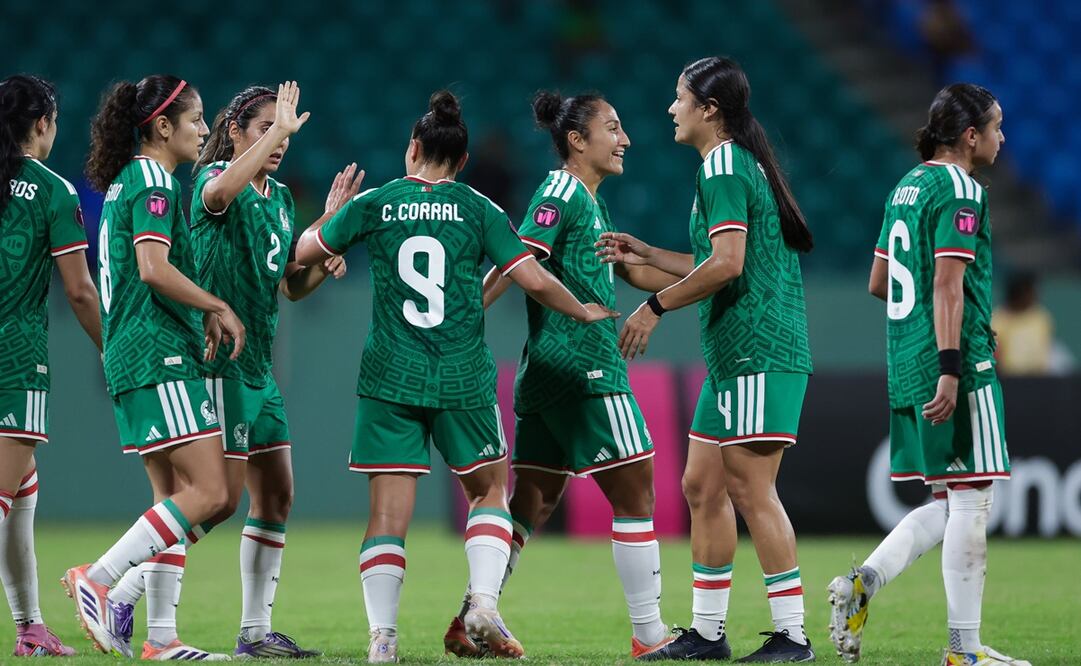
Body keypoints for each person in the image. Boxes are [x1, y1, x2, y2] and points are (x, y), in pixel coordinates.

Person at [294, 90, 616, 663]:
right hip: (461, 375)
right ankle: (484, 604)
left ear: (412, 148)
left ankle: (382, 641)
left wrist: (328, 230)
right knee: (489, 492)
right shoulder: (480, 209)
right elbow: (533, 279)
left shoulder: (377, 201)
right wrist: (583, 309)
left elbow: (302, 251)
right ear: (463, 161)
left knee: (387, 516)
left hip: (389, 377)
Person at [445, 89, 681, 661]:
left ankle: (473, 615)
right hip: (586, 366)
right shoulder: (561, 189)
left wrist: (697, 277)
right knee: (638, 492)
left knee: (533, 500)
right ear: (577, 141)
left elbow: (637, 278)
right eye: (614, 128)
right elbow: (520, 256)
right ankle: (650, 638)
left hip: (547, 374)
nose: (625, 139)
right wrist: (467, 316)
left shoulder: (592, 203)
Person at [596, 56, 815, 662]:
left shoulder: (722, 164)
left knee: (751, 489)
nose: (671, 108)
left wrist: (654, 308)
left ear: (709, 110)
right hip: (733, 360)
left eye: (679, 97)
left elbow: (727, 266)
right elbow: (711, 259)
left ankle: (793, 636)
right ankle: (708, 633)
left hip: (758, 353)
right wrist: (644, 253)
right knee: (701, 485)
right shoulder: (731, 164)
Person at [827, 84, 1029, 666]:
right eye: (996, 126)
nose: (1002, 137)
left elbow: (877, 282)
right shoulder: (962, 189)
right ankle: (965, 653)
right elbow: (945, 282)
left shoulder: (906, 186)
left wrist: (925, 342)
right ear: (970, 136)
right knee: (973, 500)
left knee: (947, 499)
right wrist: (951, 361)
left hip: (905, 357)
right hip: (955, 362)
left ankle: (863, 582)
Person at [64, 74, 245, 662]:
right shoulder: (151, 179)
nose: (202, 130)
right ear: (161, 127)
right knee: (213, 492)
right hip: (157, 352)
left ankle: (161, 638)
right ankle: (101, 578)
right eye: (195, 120)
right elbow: (152, 267)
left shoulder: (124, 183)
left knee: (172, 501)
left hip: (135, 354)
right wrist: (217, 304)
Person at [0, 74, 100, 657]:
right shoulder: (52, 191)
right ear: (43, 124)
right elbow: (81, 293)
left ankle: (31, 627)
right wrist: (113, 352)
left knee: (22, 491)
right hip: (14, 364)